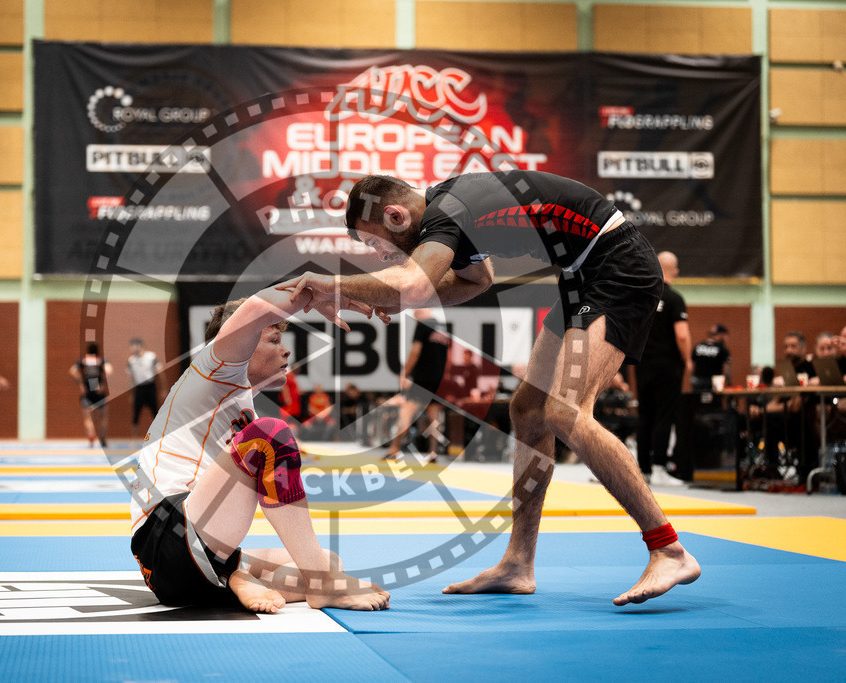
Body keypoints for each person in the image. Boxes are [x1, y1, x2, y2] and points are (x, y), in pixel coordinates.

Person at [282, 171, 700, 606]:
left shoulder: (446, 213)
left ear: (395, 215)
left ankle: (668, 548)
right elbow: (474, 282)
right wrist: (379, 296)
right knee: (528, 410)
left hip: (618, 266)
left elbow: (413, 284)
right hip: (582, 277)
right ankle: (518, 563)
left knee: (564, 411)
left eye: (375, 244)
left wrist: (331, 285)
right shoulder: (449, 217)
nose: (380, 256)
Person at [129, 283, 389, 613]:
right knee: (269, 436)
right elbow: (251, 311)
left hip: (197, 562)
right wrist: (318, 294)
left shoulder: (239, 401)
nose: (286, 351)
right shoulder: (214, 371)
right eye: (274, 340)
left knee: (326, 558)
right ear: (245, 343)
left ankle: (237, 577)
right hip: (167, 539)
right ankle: (322, 585)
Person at [635, 251, 692, 485]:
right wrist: (687, 360)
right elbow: (682, 335)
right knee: (664, 415)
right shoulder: (675, 299)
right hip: (667, 367)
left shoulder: (643, 297)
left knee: (644, 415)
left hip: (643, 365)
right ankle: (659, 468)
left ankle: (642, 470)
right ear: (675, 271)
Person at [385, 308, 451, 464]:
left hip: (422, 379)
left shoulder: (422, 326)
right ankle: (433, 452)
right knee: (434, 416)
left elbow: (415, 351)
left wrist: (405, 373)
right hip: (438, 379)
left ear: (419, 314)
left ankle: (394, 448)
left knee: (406, 412)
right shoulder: (444, 330)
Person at [71, 342, 112, 448]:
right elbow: (109, 371)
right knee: (103, 417)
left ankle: (91, 436)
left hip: (87, 391)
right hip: (98, 391)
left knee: (87, 418)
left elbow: (72, 371)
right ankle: (102, 439)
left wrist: (80, 383)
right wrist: (103, 384)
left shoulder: (82, 360)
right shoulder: (102, 361)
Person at [126, 338, 160, 440]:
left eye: (134, 345)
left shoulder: (151, 357)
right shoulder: (131, 360)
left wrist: (163, 388)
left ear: (140, 346)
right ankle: (134, 438)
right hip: (139, 388)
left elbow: (159, 373)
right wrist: (131, 393)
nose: (132, 348)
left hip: (150, 386)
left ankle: (159, 435)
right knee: (136, 413)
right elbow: (130, 377)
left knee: (155, 411)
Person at [690, 323, 731, 393]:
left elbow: (691, 363)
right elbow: (727, 369)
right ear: (721, 335)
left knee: (697, 401)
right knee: (714, 403)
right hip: (714, 382)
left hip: (697, 381)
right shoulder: (722, 349)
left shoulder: (698, 345)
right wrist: (728, 382)